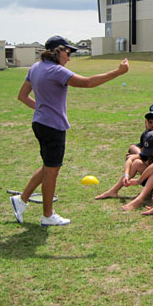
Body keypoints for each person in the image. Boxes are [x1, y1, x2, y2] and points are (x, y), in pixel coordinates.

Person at [11, 35, 129, 226]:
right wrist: (118, 72)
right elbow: (88, 82)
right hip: (52, 127)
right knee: (51, 170)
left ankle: (21, 200)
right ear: (56, 51)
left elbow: (22, 96)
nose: (69, 57)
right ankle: (47, 216)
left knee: (50, 166)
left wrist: (41, 109)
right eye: (67, 52)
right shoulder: (56, 71)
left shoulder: (35, 68)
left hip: (40, 123)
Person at [95, 131, 153, 211]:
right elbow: (130, 158)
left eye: (151, 150)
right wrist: (126, 175)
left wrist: (139, 181)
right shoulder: (151, 152)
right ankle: (113, 191)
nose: (149, 153)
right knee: (137, 163)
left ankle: (139, 200)